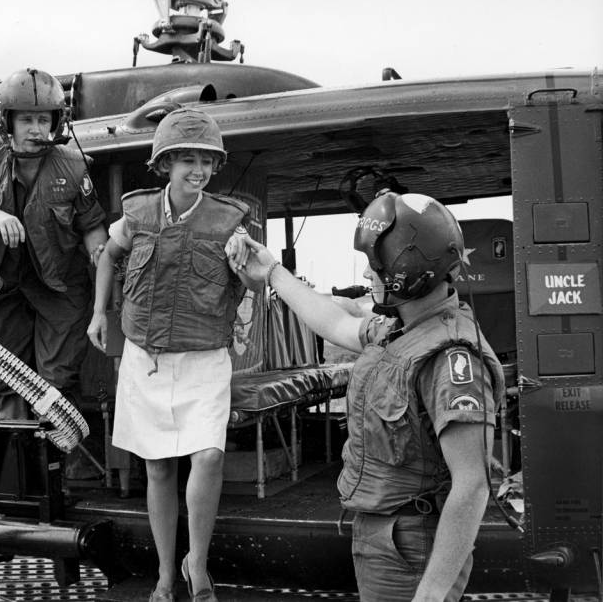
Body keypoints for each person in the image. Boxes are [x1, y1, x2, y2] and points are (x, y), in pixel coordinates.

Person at [233, 192, 505, 601]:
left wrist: (429, 595)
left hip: (411, 546)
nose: (366, 271)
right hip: (384, 537)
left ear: (406, 270)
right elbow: (336, 323)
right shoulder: (399, 329)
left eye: (375, 264)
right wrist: (272, 271)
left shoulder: (450, 358)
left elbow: (472, 485)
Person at [87, 107, 249, 602]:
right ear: (165, 164)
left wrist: (245, 263)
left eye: (206, 160)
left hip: (204, 359)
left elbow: (249, 280)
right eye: (186, 160)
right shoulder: (135, 214)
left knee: (208, 456)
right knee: (157, 467)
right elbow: (108, 258)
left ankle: (195, 563)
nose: (197, 170)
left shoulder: (229, 220)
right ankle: (164, 573)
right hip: (146, 357)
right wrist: (99, 314)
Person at [0, 68, 107, 475]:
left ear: (57, 123)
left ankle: (57, 479)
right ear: (6, 121)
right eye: (26, 119)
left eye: (43, 120)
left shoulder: (74, 168)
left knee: (54, 383)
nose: (35, 129)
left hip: (62, 288)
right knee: (3, 377)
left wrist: (104, 260)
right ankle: (18, 478)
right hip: (4, 285)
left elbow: (93, 230)